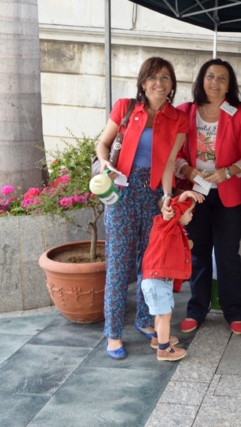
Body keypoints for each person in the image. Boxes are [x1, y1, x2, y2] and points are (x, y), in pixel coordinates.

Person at [95, 56, 191, 360]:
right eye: (153, 77)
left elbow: (168, 163)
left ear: (172, 84)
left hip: (151, 195)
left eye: (165, 78)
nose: (159, 83)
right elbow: (103, 143)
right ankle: (113, 333)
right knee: (119, 264)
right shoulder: (125, 107)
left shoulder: (178, 118)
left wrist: (165, 197)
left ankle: (144, 320)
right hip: (121, 191)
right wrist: (107, 162)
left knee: (150, 264)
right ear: (142, 82)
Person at [176, 59, 241, 335]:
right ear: (201, 80)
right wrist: (186, 168)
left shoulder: (238, 113)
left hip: (229, 195)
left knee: (227, 254)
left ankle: (234, 311)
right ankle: (197, 308)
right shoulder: (185, 111)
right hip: (195, 193)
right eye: (211, 76)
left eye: (222, 78)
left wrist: (228, 172)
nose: (215, 82)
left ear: (229, 84)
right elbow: (175, 155)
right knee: (198, 252)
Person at [141, 197, 196, 362]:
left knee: (161, 313)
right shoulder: (164, 225)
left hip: (159, 280)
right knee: (165, 316)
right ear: (176, 213)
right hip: (157, 281)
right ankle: (164, 349)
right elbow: (175, 208)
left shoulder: (174, 229)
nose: (192, 215)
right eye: (188, 211)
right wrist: (185, 194)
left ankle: (158, 338)